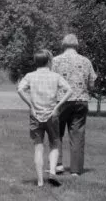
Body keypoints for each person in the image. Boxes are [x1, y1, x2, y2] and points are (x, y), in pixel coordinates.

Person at [17, 50, 74, 188]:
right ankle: (52, 172)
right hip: (52, 115)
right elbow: (69, 90)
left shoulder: (30, 76)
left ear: (36, 61)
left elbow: (20, 90)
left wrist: (31, 105)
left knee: (38, 147)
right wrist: (58, 106)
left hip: (36, 115)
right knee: (55, 144)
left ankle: (40, 181)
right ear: (49, 61)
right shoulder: (55, 76)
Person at [51, 34, 97, 177]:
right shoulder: (86, 61)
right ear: (77, 45)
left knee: (56, 133)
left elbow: (50, 81)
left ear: (63, 45)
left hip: (60, 101)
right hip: (80, 101)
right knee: (77, 135)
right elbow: (91, 84)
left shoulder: (55, 61)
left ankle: (58, 165)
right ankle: (75, 170)